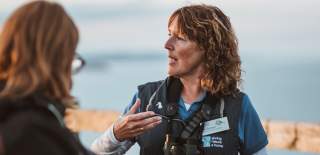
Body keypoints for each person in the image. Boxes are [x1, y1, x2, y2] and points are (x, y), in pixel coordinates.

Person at [91, 4, 268, 155]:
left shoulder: (237, 106)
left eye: (180, 37)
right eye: (169, 34)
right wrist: (116, 135)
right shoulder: (146, 98)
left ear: (208, 48)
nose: (167, 45)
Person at [0, 1, 92, 155]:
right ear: (57, 60)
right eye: (71, 57)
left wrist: (114, 137)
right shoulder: (32, 132)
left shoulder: (13, 115)